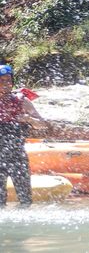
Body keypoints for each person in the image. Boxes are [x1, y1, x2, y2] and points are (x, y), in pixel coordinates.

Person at [0, 65, 49, 207]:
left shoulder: (21, 101)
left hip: (17, 157)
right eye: (2, 81)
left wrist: (28, 118)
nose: (6, 84)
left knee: (25, 200)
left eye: (9, 80)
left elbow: (42, 124)